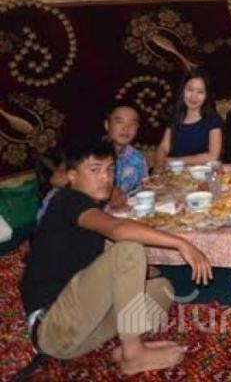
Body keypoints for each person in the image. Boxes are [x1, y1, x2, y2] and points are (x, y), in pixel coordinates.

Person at [19, 138, 212, 376]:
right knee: (128, 250)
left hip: (78, 338)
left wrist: (142, 272)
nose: (105, 178)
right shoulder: (67, 200)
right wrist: (181, 243)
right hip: (52, 328)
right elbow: (117, 230)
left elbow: (93, 261)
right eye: (95, 170)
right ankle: (133, 354)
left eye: (110, 169)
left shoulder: (90, 205)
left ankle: (125, 344)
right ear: (72, 176)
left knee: (161, 289)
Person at [155, 68, 223, 170]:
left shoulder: (213, 119)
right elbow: (164, 147)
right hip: (174, 172)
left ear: (207, 95)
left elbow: (213, 155)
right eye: (190, 90)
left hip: (201, 173)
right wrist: (158, 167)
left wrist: (176, 161)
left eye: (200, 92)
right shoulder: (175, 116)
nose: (193, 97)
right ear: (182, 91)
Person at [103, 102, 149, 208]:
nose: (126, 128)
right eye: (119, 122)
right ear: (107, 125)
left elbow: (144, 190)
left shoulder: (137, 158)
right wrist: (110, 190)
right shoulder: (90, 154)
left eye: (132, 123)